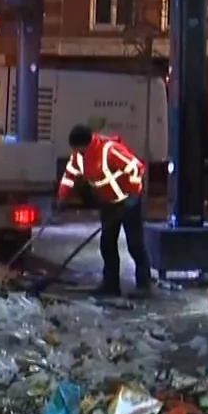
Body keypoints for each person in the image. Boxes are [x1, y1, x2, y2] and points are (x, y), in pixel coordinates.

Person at [56, 124, 151, 297]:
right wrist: (62, 197)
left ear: (86, 144)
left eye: (78, 149)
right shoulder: (79, 156)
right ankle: (111, 285)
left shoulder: (110, 150)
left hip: (128, 202)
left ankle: (144, 285)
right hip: (108, 204)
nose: (76, 152)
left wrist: (134, 194)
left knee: (135, 245)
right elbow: (69, 176)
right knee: (107, 244)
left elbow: (136, 168)